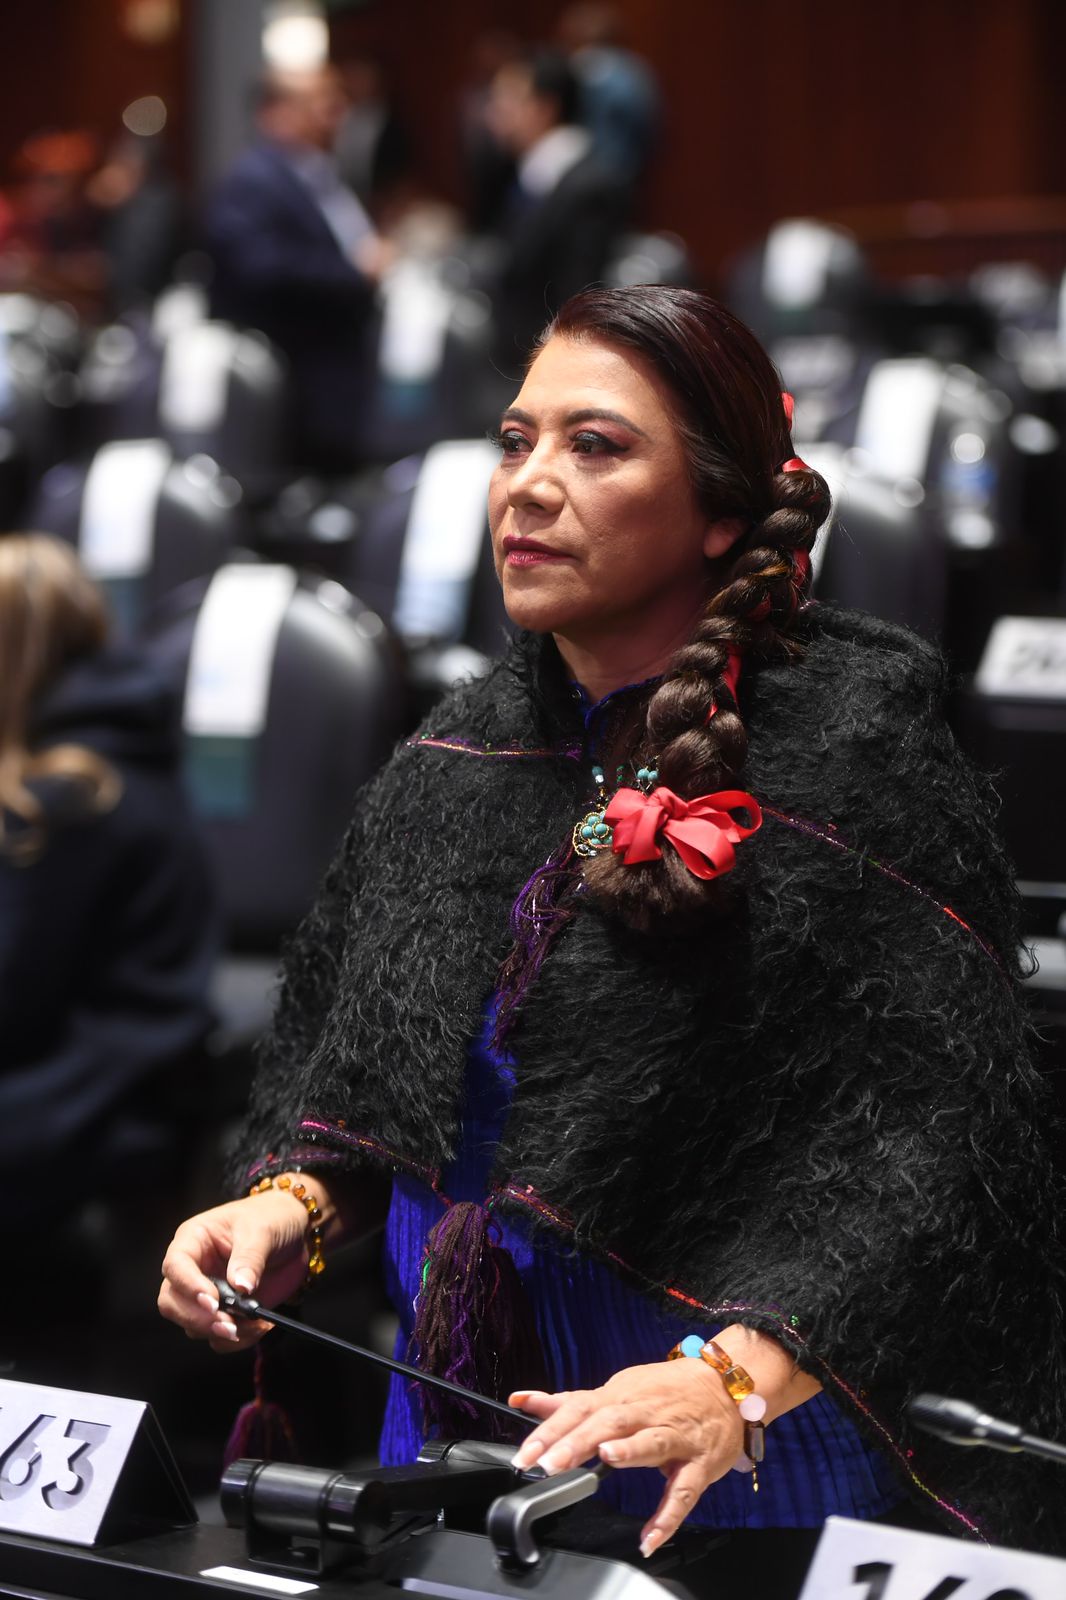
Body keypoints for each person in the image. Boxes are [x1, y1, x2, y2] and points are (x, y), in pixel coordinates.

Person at [159, 286, 1065, 1591]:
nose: (527, 485)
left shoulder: (857, 760)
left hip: (744, 1473)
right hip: (464, 1444)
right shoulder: (451, 759)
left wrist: (728, 1385)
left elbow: (930, 1156)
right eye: (514, 441)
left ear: (719, 513)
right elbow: (371, 1095)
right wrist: (281, 1210)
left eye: (593, 446)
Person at [0, 535, 217, 1230]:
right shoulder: (120, 751)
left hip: (84, 1103)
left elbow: (13, 997)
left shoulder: (66, 796)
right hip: (89, 1082)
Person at [203, 67, 389, 472]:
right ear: (276, 112)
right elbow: (259, 267)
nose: (336, 113)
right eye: (321, 102)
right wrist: (355, 273)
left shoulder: (318, 171)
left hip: (335, 372)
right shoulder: (252, 179)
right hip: (294, 379)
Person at [483, 49, 625, 371]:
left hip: (549, 367)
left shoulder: (588, 185)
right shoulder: (525, 172)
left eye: (508, 98)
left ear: (545, 107)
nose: (495, 111)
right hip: (512, 359)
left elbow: (578, 299)